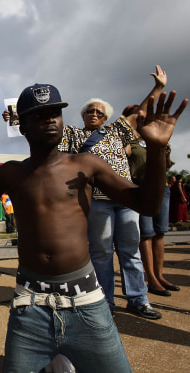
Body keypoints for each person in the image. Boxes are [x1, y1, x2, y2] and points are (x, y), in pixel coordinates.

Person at [0, 83, 187, 372]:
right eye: (40, 115)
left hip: (86, 299)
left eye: (55, 113)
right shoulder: (12, 172)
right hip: (31, 302)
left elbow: (147, 205)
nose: (50, 119)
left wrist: (156, 149)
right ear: (24, 127)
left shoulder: (86, 165)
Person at [57, 66, 170, 319]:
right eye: (89, 110)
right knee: (102, 252)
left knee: (130, 251)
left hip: (126, 199)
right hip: (97, 201)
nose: (94, 113)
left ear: (106, 117)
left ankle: (138, 299)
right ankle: (105, 301)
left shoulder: (116, 131)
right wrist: (14, 117)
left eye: (99, 111)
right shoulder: (74, 135)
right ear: (83, 115)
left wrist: (158, 87)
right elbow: (43, 129)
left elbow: (141, 111)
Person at [125, 105, 180, 297]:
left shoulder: (155, 136)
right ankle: (151, 278)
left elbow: (166, 163)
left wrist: (163, 149)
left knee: (160, 232)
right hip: (141, 187)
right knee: (146, 234)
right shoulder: (129, 140)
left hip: (162, 187)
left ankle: (160, 274)